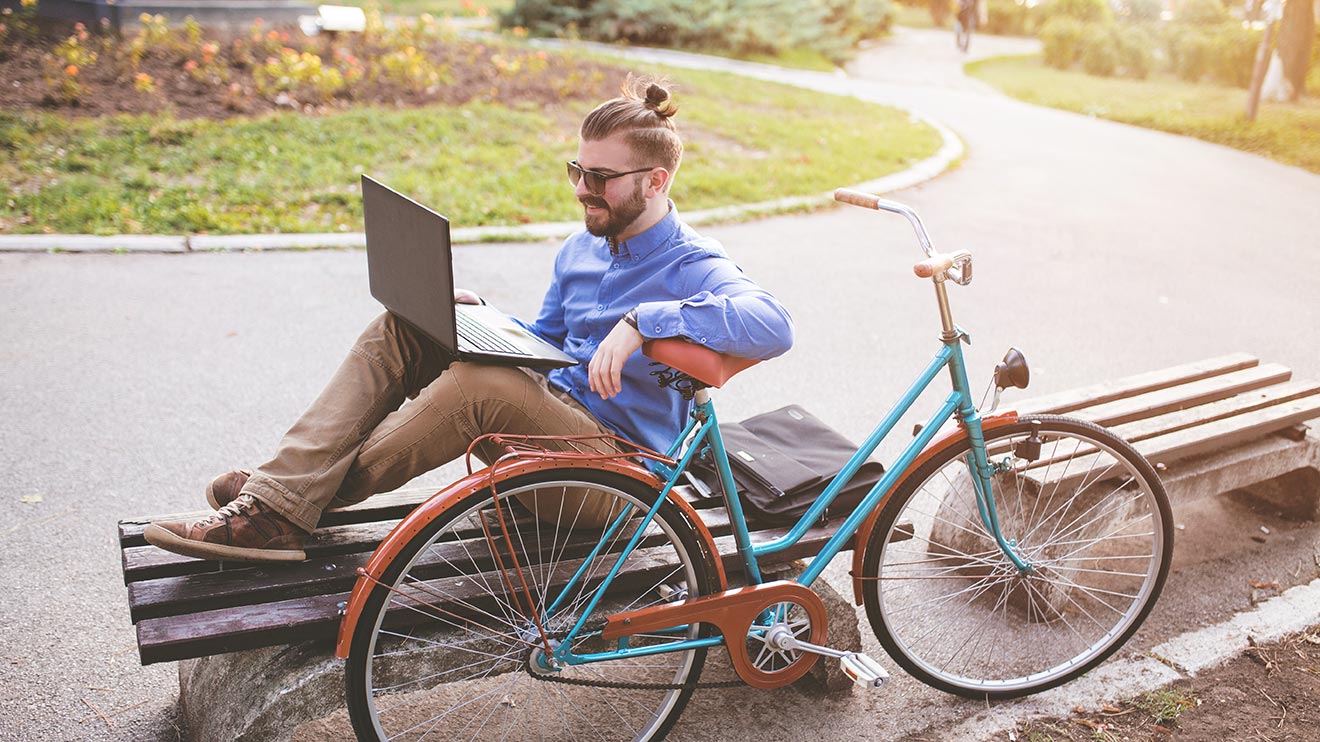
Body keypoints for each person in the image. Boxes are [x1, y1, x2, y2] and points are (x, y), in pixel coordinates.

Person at [144, 76, 795, 563]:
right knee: (405, 327)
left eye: (600, 177)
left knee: (482, 387)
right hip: (553, 429)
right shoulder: (582, 248)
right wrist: (487, 319)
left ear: (655, 182)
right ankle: (280, 498)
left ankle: (280, 503)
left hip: (613, 484)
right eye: (577, 170)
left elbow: (773, 323)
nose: (581, 189)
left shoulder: (693, 263)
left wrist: (643, 321)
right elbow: (551, 343)